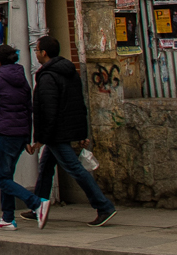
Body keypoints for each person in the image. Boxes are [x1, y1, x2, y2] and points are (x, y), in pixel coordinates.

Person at [31, 35, 118, 227]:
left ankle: (103, 206)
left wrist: (41, 137)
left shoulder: (47, 76)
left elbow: (47, 110)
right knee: (45, 167)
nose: (36, 54)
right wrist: (81, 133)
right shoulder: (69, 72)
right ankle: (38, 203)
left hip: (56, 133)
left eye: (37, 50)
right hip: (66, 128)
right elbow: (78, 105)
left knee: (75, 169)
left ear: (44, 53)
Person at [0, 45, 44, 229]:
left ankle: (36, 203)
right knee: (8, 176)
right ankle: (7, 217)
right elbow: (29, 109)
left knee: (2, 179)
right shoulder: (23, 79)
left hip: (5, 133)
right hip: (20, 134)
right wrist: (28, 138)